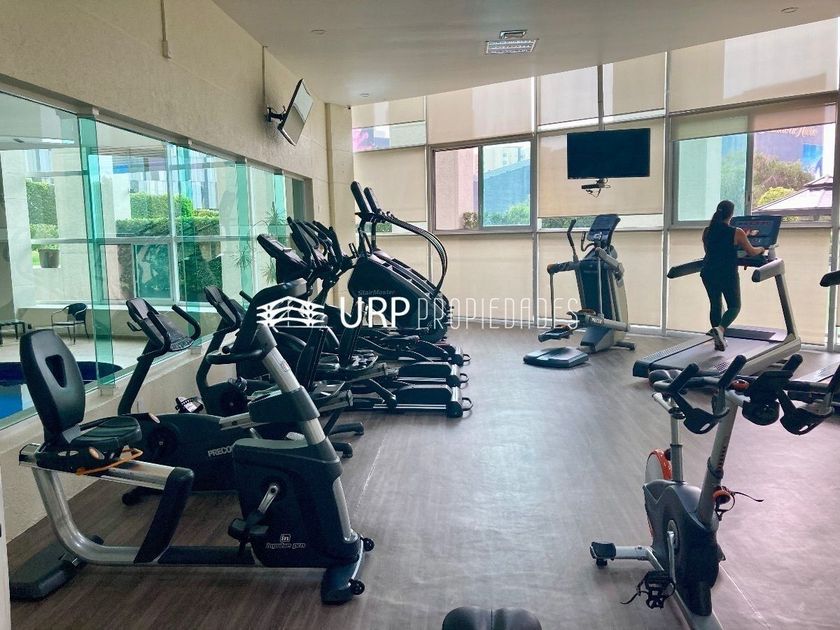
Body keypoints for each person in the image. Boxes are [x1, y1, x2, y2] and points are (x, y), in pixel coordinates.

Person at [701, 200, 765, 351]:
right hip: (726, 273)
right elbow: (751, 251)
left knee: (715, 305)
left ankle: (718, 339)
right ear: (731, 214)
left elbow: (710, 251)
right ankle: (721, 329)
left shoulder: (707, 231)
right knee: (734, 306)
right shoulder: (736, 232)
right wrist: (762, 249)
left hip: (708, 272)